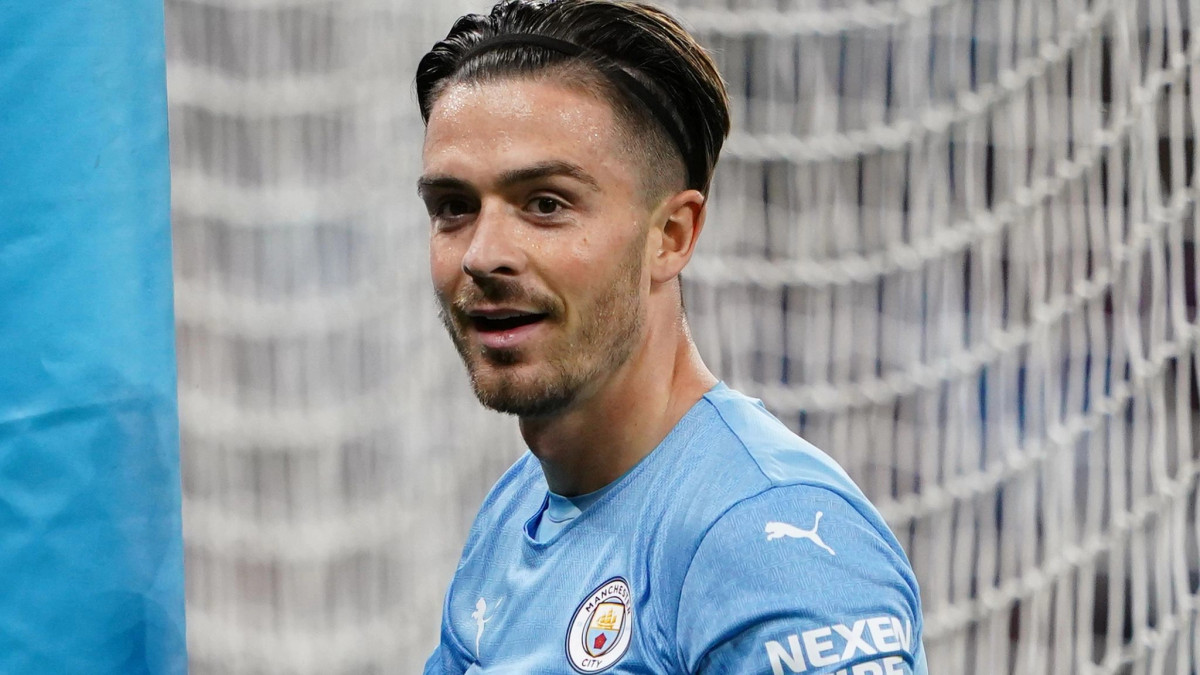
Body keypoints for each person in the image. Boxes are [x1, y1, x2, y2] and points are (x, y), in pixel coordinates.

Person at [415, 1, 928, 672]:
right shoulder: (515, 511)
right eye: (454, 207)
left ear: (672, 236)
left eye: (546, 204)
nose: (483, 255)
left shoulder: (767, 537)